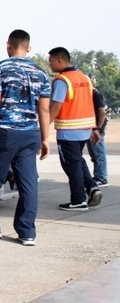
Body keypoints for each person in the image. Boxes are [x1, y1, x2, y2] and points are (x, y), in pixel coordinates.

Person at [0, 30, 50, 246]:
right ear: (29, 47)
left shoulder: (0, 68)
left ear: (8, 45)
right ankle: (27, 232)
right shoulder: (41, 73)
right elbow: (44, 110)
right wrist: (45, 138)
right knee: (28, 182)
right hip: (31, 133)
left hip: (5, 131)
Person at [47, 47, 102, 211]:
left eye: (50, 62)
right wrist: (94, 128)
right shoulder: (84, 78)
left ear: (59, 60)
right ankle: (92, 188)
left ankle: (78, 200)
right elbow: (90, 103)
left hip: (68, 130)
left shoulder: (62, 80)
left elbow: (56, 107)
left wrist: (43, 127)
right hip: (84, 129)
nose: (50, 65)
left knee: (71, 165)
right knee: (77, 161)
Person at [88, 81, 109, 186]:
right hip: (91, 127)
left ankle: (102, 177)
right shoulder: (88, 94)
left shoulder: (95, 93)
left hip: (96, 128)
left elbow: (102, 111)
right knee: (94, 154)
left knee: (98, 153)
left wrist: (98, 128)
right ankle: (97, 175)